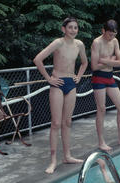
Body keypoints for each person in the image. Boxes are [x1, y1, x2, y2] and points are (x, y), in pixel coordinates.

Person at [33, 17, 88, 174]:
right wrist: (49, 78)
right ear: (63, 29)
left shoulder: (80, 45)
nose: (73, 30)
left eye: (75, 27)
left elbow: (84, 62)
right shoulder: (58, 43)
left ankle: (67, 156)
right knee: (56, 123)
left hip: (71, 83)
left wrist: (79, 75)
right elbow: (38, 59)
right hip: (57, 83)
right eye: (70, 27)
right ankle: (53, 160)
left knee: (68, 122)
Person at [91, 19, 120, 151]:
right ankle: (101, 142)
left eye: (114, 34)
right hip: (99, 77)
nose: (111, 37)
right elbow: (94, 66)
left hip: (109, 77)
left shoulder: (115, 41)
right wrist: (111, 61)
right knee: (101, 109)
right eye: (109, 34)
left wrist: (104, 60)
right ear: (103, 31)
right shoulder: (96, 43)